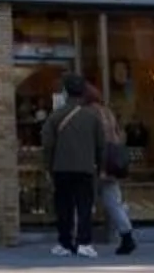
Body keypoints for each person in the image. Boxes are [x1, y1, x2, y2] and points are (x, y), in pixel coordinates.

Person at [44, 75, 102, 257]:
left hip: (61, 168)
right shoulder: (92, 117)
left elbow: (47, 145)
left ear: (65, 92)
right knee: (84, 205)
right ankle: (84, 242)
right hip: (85, 168)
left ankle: (65, 242)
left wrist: (48, 167)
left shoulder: (55, 116)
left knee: (64, 207)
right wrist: (99, 167)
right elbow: (101, 145)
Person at [88, 84, 135, 257]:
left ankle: (82, 239)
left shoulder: (89, 113)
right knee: (114, 202)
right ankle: (127, 235)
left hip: (97, 162)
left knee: (86, 201)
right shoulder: (107, 112)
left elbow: (93, 139)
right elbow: (118, 134)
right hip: (111, 162)